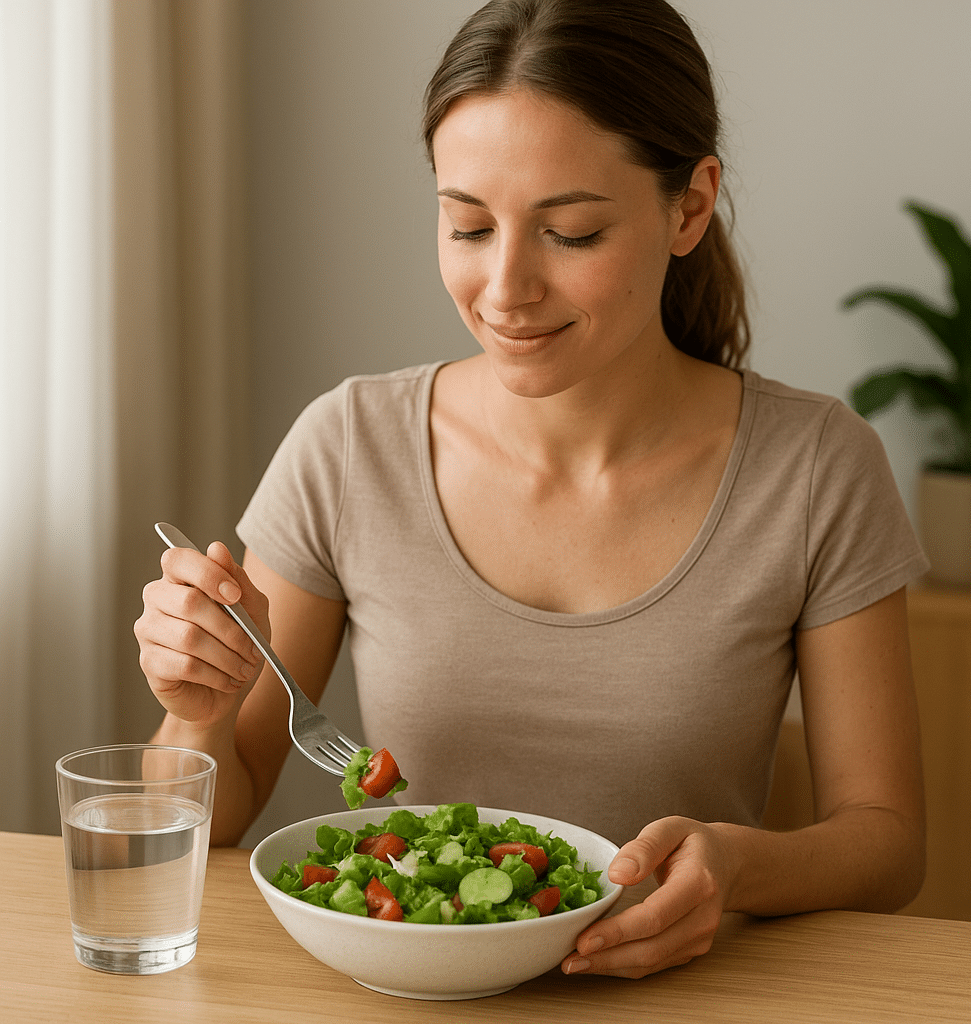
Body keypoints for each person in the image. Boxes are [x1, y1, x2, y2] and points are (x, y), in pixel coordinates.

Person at [135, 0, 928, 980]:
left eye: (572, 233)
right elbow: (211, 812)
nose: (505, 288)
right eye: (467, 224)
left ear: (688, 207)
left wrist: (736, 866)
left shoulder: (814, 467)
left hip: (677, 994)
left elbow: (886, 839)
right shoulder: (349, 444)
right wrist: (199, 706)